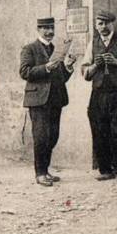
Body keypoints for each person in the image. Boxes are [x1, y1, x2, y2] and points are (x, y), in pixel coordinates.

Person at [81, 10, 117, 183]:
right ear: (95, 25)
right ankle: (105, 169)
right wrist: (94, 66)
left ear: (112, 23)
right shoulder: (93, 43)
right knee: (100, 131)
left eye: (106, 23)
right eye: (100, 23)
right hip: (98, 94)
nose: (103, 27)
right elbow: (84, 72)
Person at [20, 17, 76, 186]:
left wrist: (68, 67)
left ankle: (46, 170)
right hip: (38, 100)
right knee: (41, 137)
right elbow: (24, 72)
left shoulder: (56, 49)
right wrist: (45, 68)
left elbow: (61, 78)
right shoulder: (29, 48)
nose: (50, 31)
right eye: (46, 28)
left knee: (53, 136)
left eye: (51, 28)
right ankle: (40, 173)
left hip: (55, 99)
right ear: (39, 29)